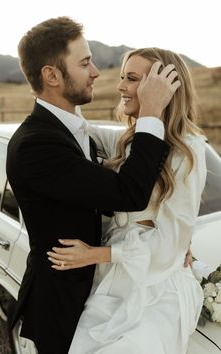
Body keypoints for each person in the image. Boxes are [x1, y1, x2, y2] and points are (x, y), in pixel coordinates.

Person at [6, 17, 180, 354]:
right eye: (85, 62)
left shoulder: (69, 129)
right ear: (52, 75)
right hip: (62, 306)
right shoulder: (36, 145)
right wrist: (152, 112)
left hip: (98, 289)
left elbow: (97, 197)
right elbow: (128, 193)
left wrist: (171, 236)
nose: (97, 71)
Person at [48, 48, 207, 354]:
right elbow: (82, 131)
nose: (120, 86)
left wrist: (96, 254)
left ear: (164, 88)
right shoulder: (131, 138)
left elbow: (169, 249)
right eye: (122, 76)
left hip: (153, 288)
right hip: (115, 278)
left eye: (132, 79)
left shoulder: (189, 151)